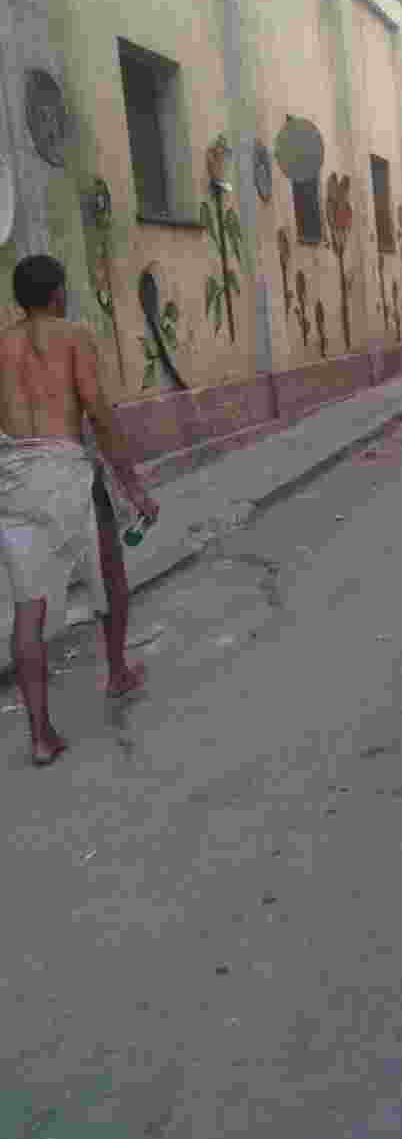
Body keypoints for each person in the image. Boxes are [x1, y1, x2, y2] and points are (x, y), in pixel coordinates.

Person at [0, 256, 158, 765]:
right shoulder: (74, 337)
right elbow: (98, 412)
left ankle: (41, 733)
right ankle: (116, 673)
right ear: (57, 294)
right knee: (109, 575)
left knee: (28, 606)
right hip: (66, 471)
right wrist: (132, 486)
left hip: (14, 479)